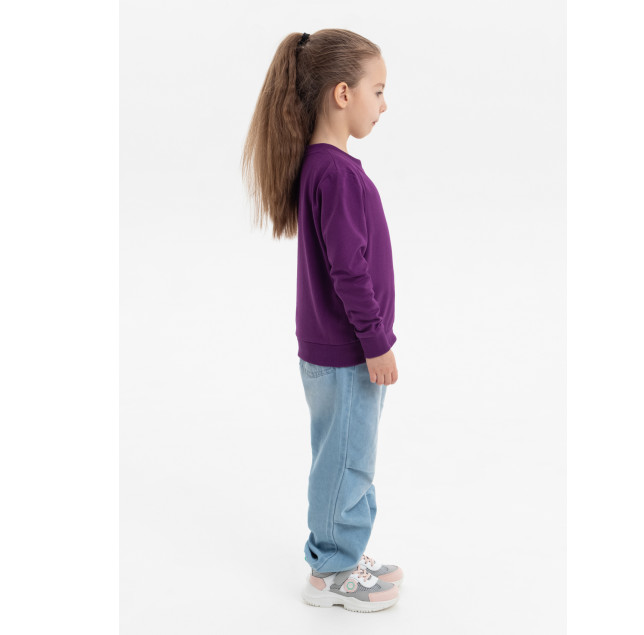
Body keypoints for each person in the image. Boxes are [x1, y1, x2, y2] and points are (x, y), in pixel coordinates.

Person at [241, 29, 404, 613]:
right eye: (377, 91)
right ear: (342, 93)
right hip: (347, 351)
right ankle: (332, 570)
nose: (384, 104)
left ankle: (344, 551)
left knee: (347, 453)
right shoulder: (333, 173)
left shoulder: (324, 167)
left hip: (337, 350)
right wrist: (376, 342)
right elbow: (349, 272)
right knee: (347, 460)